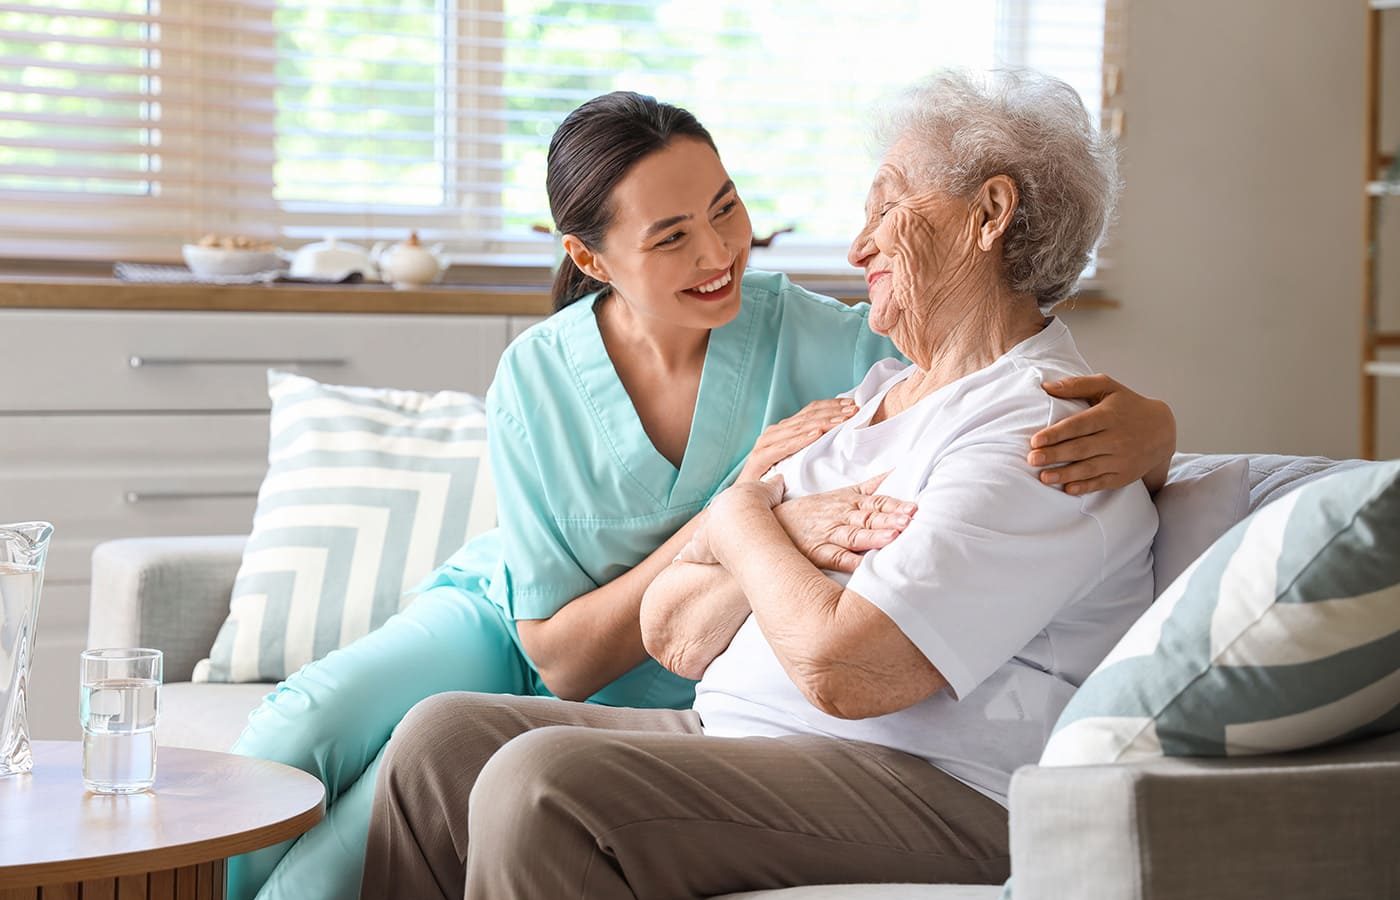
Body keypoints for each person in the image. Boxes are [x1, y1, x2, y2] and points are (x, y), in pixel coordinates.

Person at [231, 88, 1175, 900]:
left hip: (934, 775)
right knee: (434, 735)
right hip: (579, 640)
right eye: (671, 235)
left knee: (541, 779)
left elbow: (841, 667)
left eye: (886, 208)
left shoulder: (1028, 427)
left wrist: (740, 518)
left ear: (989, 214)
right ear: (594, 260)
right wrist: (767, 527)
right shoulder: (879, 396)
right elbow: (675, 630)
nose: (855, 245)